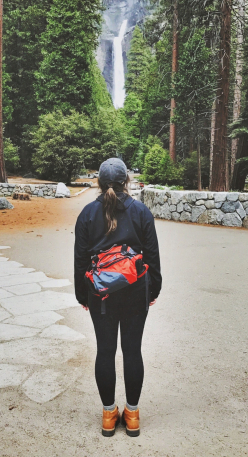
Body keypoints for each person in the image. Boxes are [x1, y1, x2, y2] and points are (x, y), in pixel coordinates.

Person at [74, 158, 162, 437]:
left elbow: (80, 261)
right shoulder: (141, 212)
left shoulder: (87, 214)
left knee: (105, 350)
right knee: (133, 350)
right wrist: (153, 289)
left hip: (100, 294)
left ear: (99, 183)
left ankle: (109, 415)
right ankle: (132, 415)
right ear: (126, 181)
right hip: (136, 291)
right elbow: (152, 257)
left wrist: (82, 295)